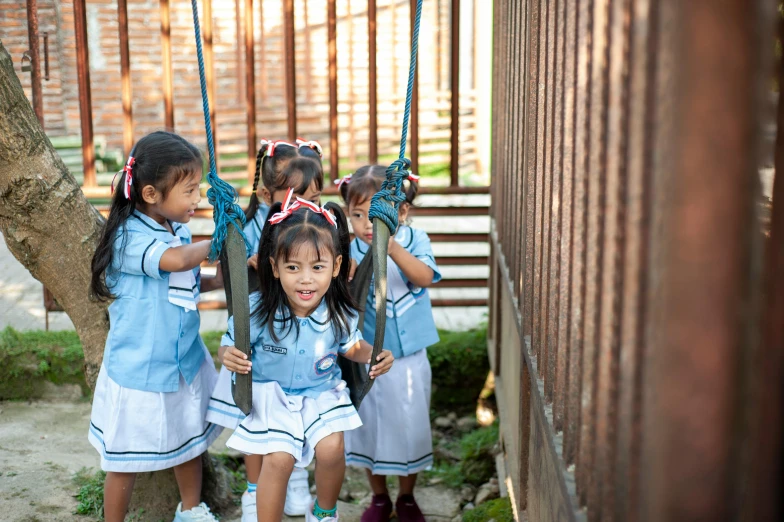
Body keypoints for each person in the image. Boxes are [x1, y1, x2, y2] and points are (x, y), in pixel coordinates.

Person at [219, 190, 394, 521]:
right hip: (271, 394)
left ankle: (324, 512)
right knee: (279, 459)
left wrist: (375, 355)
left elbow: (352, 347)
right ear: (274, 267)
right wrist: (228, 355)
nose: (306, 278)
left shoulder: (339, 312)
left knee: (331, 449)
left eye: (317, 266)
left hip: (320, 392)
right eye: (293, 267)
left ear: (336, 266)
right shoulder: (255, 311)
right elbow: (228, 345)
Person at [88, 131, 223, 522]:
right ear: (150, 194)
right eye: (191, 190)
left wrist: (227, 269)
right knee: (125, 459)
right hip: (141, 369)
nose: (197, 199)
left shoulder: (174, 227)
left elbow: (188, 280)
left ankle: (193, 510)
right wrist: (219, 240)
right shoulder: (129, 236)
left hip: (183, 361)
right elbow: (177, 262)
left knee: (190, 442)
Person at [207, 139, 325, 521]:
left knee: (300, 407)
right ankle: (255, 490)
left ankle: (293, 477)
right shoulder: (250, 225)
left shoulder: (315, 224)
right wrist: (252, 255)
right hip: (259, 332)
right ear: (264, 193)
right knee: (255, 412)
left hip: (301, 335)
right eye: (294, 198)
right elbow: (236, 256)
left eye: (314, 197)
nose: (305, 207)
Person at [338, 166, 441, 522]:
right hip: (367, 357)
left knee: (410, 424)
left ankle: (407, 496)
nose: (367, 224)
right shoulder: (348, 251)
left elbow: (425, 277)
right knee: (369, 427)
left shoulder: (415, 240)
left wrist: (391, 245)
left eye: (376, 215)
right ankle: (379, 497)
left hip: (410, 357)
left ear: (402, 212)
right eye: (357, 215)